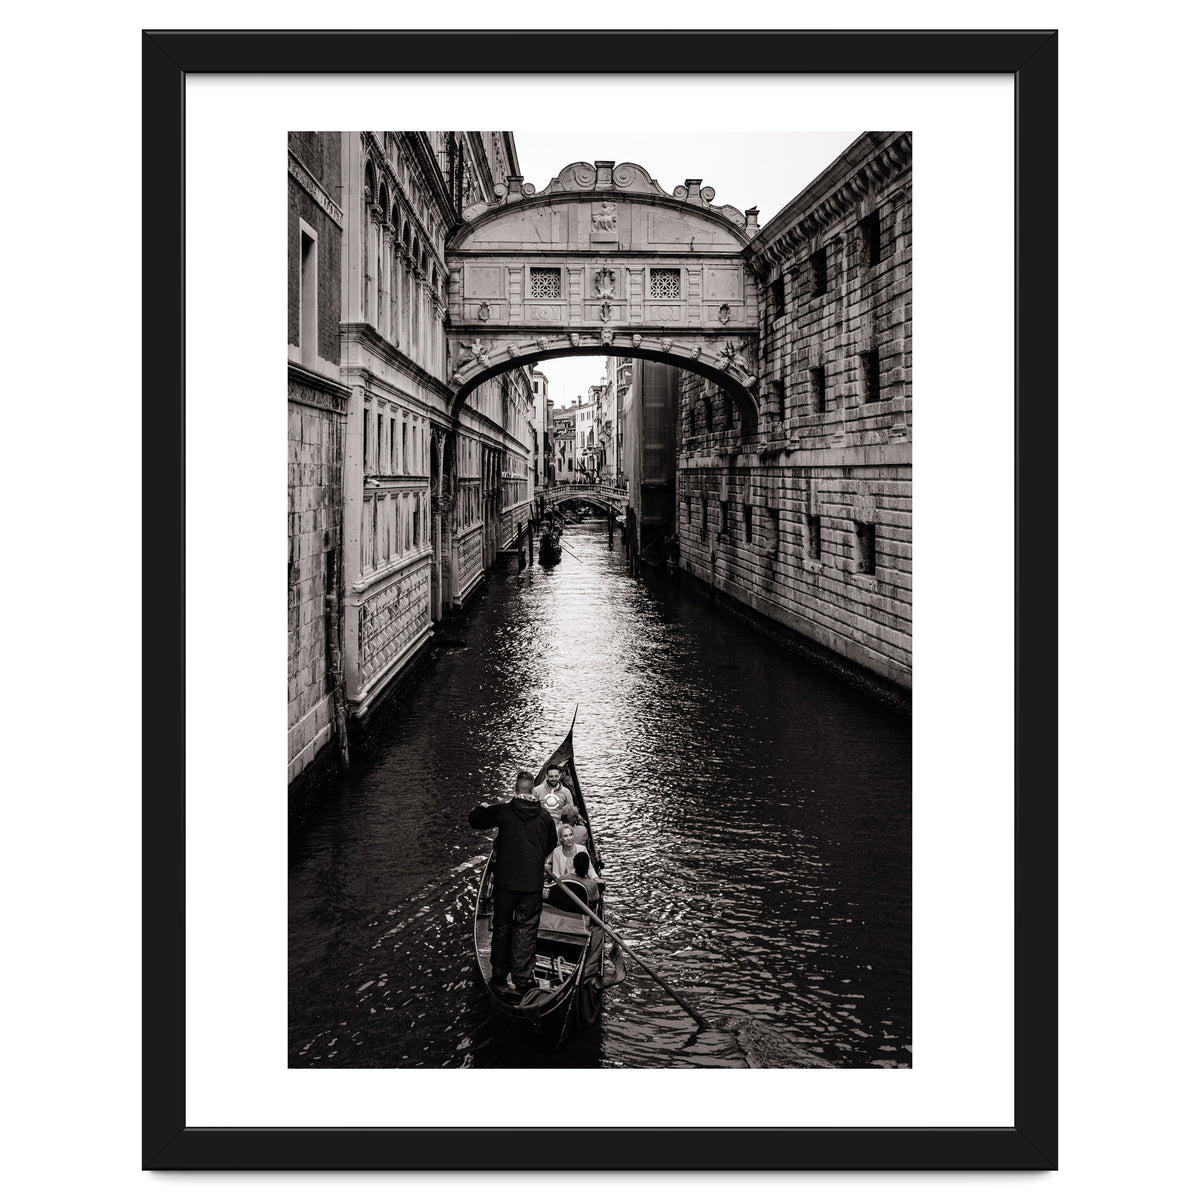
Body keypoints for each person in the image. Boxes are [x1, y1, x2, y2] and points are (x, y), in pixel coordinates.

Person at [468, 769, 558, 996]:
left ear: (515, 790)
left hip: (505, 884)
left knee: (502, 926)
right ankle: (523, 980)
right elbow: (550, 845)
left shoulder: (504, 812)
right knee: (526, 929)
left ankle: (499, 976)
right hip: (531, 885)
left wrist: (480, 807)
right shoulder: (545, 817)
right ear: (533, 792)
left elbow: (476, 820)